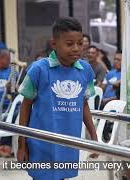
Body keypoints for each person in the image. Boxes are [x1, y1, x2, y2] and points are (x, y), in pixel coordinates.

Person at [17, 17, 98, 180]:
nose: (76, 48)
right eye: (69, 44)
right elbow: (25, 107)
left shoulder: (85, 70)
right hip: (41, 143)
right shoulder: (39, 69)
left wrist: (94, 139)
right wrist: (22, 145)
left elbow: (84, 105)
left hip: (69, 142)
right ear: (54, 44)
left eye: (80, 43)